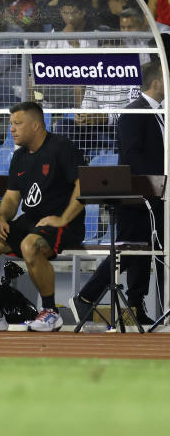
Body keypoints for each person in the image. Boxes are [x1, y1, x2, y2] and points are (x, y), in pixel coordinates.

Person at [0, 102, 86, 332]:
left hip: (63, 223)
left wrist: (63, 219)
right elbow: (11, 197)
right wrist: (2, 218)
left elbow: (82, 186)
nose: (12, 129)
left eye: (18, 123)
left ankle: (50, 312)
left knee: (30, 245)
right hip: (31, 221)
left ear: (36, 125)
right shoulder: (19, 156)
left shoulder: (62, 147)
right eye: (11, 124)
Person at [70, 63, 165, 326]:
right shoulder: (133, 112)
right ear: (156, 83)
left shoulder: (161, 113)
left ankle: (134, 304)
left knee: (145, 250)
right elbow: (133, 155)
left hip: (155, 195)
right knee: (129, 250)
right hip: (137, 194)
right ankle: (87, 296)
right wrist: (160, 178)